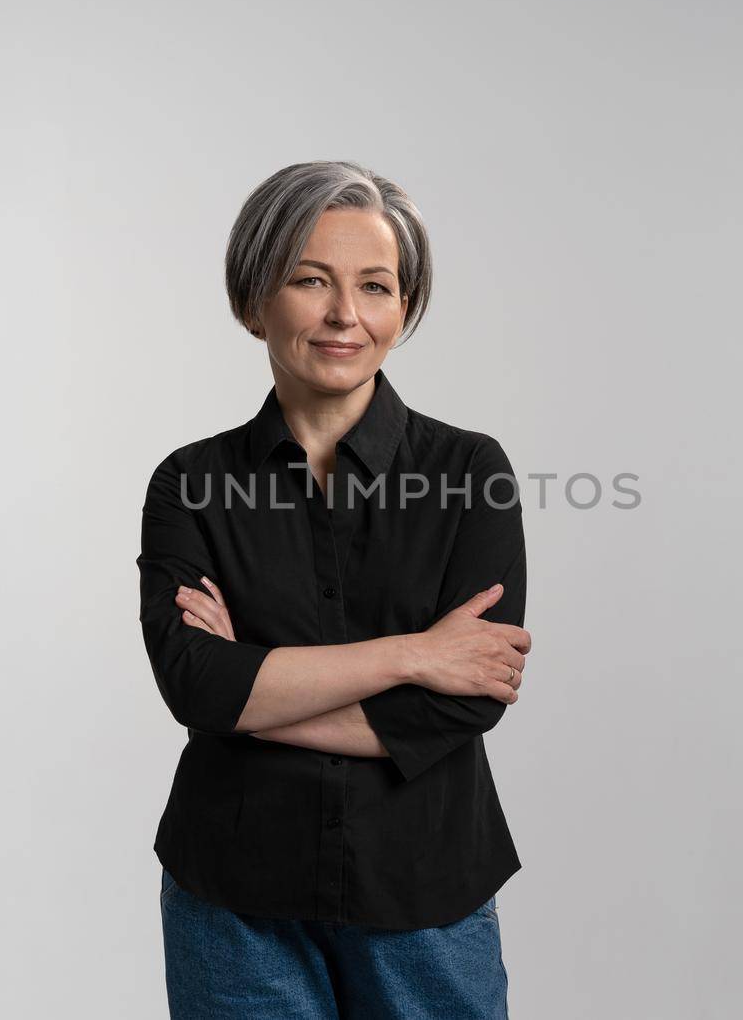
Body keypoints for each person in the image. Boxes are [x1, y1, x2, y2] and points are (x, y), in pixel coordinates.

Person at [136, 160, 532, 1019]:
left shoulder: (472, 473)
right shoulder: (189, 483)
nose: (346, 314)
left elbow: (462, 708)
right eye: (311, 280)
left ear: (404, 308)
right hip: (233, 897)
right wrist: (416, 654)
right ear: (255, 301)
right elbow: (194, 684)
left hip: (426, 892)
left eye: (377, 287)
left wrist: (254, 689)